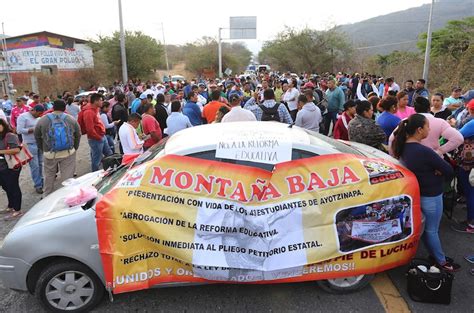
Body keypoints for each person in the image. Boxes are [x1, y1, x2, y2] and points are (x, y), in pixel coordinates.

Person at [391, 114, 459, 272]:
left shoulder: (401, 146)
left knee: (426, 228)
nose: (429, 129)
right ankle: (441, 261)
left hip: (415, 193)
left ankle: (435, 255)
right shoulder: (424, 151)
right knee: (431, 230)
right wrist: (440, 172)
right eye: (428, 126)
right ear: (420, 130)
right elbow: (449, 171)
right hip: (431, 195)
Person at [34, 100, 81, 196]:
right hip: (68, 153)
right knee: (67, 178)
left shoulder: (43, 120)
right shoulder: (71, 119)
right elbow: (78, 134)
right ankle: (68, 197)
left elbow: (37, 136)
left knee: (49, 177)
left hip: (50, 154)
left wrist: (43, 149)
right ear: (64, 108)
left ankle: (47, 197)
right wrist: (74, 148)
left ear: (53, 107)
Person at [78, 93, 112, 172]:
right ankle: (95, 174)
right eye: (100, 100)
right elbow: (89, 129)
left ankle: (110, 169)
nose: (102, 102)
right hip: (96, 139)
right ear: (96, 101)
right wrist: (98, 137)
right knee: (96, 159)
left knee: (109, 154)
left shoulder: (96, 109)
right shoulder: (88, 112)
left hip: (102, 136)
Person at [16, 105, 45, 194]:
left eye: (41, 114)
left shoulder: (39, 118)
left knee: (40, 163)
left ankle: (41, 181)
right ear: (34, 110)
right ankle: (38, 185)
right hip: (30, 144)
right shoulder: (23, 117)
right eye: (39, 114)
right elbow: (19, 130)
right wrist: (32, 130)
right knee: (35, 166)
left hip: (39, 142)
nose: (40, 115)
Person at [455, 116, 474, 233]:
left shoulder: (472, 123)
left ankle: (471, 223)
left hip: (469, 165)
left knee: (471, 192)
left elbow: (458, 135)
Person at [0, 118, 23, 219]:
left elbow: (17, 149)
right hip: (2, 167)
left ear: (3, 125)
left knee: (13, 187)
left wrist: (1, 152)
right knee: (6, 187)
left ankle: (17, 209)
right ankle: (10, 206)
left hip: (11, 166)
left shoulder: (10, 136)